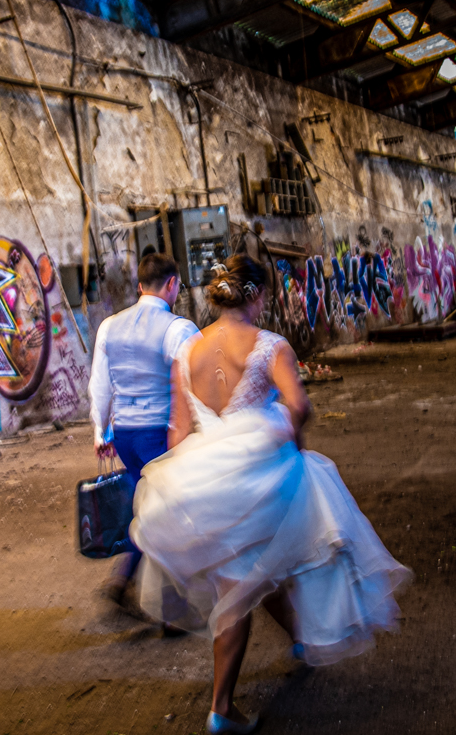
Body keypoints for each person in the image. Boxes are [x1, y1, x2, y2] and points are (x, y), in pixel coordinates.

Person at [130, 255, 411, 735]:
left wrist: (189, 481)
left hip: (204, 479)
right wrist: (288, 440)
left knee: (263, 566)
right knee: (239, 591)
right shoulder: (270, 346)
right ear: (257, 295)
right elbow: (299, 406)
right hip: (260, 482)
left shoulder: (188, 350)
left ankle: (298, 639)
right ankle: (221, 709)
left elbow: (177, 431)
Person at [88, 252, 199, 611]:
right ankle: (168, 604)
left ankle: (124, 579)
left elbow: (100, 384)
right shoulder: (178, 329)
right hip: (160, 434)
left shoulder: (109, 326)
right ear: (172, 284)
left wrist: (101, 431)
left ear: (139, 286)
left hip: (125, 434)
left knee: (148, 506)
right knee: (167, 512)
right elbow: (192, 384)